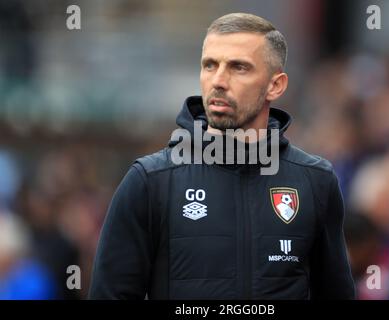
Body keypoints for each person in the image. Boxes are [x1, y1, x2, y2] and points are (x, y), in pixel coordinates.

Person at [89, 13, 355, 300]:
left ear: (275, 86)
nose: (218, 81)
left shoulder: (314, 181)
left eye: (238, 67)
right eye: (210, 65)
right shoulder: (150, 181)